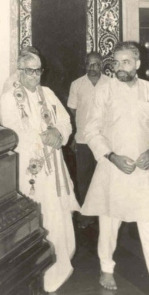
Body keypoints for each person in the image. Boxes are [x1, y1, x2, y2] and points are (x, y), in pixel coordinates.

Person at [80, 41, 149, 295]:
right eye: (116, 62)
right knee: (109, 224)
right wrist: (111, 156)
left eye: (126, 62)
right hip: (114, 169)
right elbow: (92, 130)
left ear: (138, 64)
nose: (120, 67)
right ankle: (106, 269)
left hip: (146, 171)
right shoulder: (105, 91)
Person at [0, 50, 80, 293]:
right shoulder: (9, 98)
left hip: (53, 166)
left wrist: (59, 133)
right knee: (36, 211)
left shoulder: (49, 94)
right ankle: (35, 273)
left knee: (55, 212)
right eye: (30, 71)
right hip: (30, 169)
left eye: (39, 70)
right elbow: (12, 129)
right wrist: (46, 136)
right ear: (20, 71)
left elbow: (65, 121)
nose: (35, 76)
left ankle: (58, 266)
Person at [67, 50, 107, 206]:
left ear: (101, 65)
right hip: (83, 139)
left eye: (96, 64)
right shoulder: (76, 84)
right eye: (89, 64)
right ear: (85, 65)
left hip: (104, 139)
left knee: (103, 176)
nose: (92, 67)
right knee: (84, 177)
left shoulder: (111, 84)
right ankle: (86, 214)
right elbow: (73, 110)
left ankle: (102, 212)